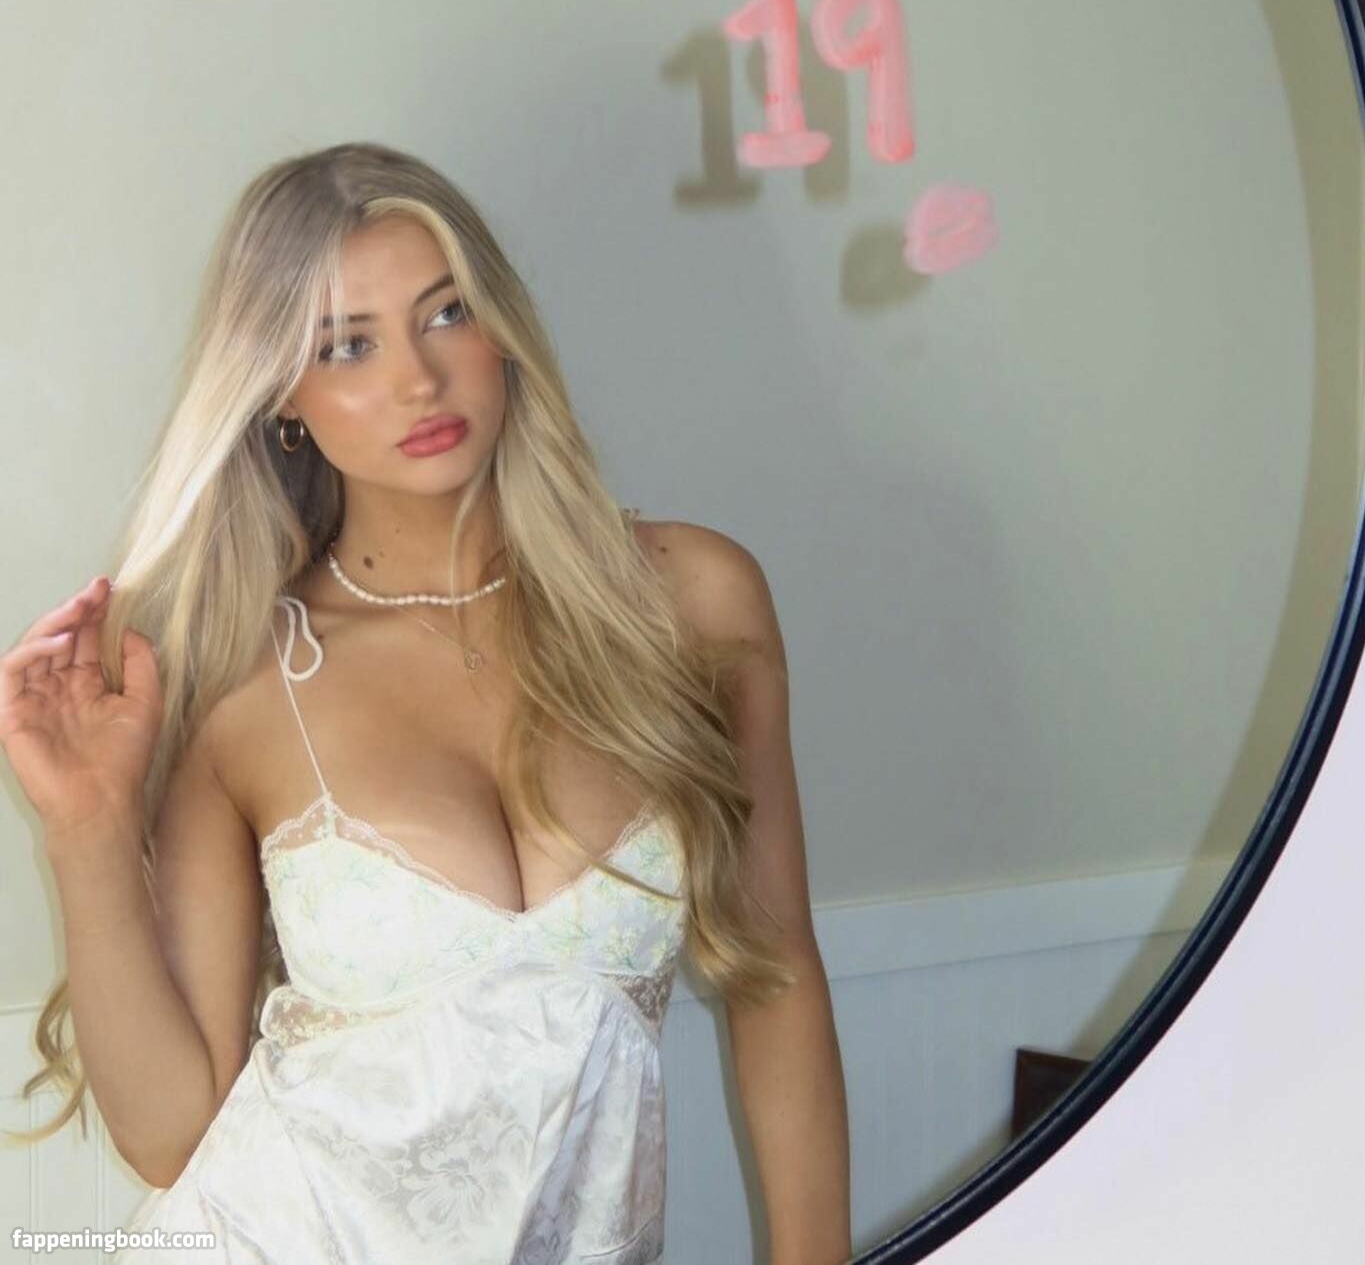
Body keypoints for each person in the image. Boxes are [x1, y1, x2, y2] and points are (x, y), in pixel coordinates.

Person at [0, 141, 852, 1263]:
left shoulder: (692, 600)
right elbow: (172, 1135)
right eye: (348, 345)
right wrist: (86, 825)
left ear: (502, 327)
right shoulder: (245, 682)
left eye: (446, 313)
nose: (419, 379)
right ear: (284, 394)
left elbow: (776, 975)